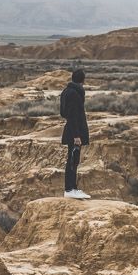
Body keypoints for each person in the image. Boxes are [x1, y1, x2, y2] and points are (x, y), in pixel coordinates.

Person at [60, 66, 90, 198]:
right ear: (83, 80)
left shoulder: (67, 91)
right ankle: (69, 189)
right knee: (72, 160)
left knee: (74, 160)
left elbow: (64, 113)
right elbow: (73, 116)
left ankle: (72, 188)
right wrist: (77, 135)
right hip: (74, 132)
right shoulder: (74, 93)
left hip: (72, 130)